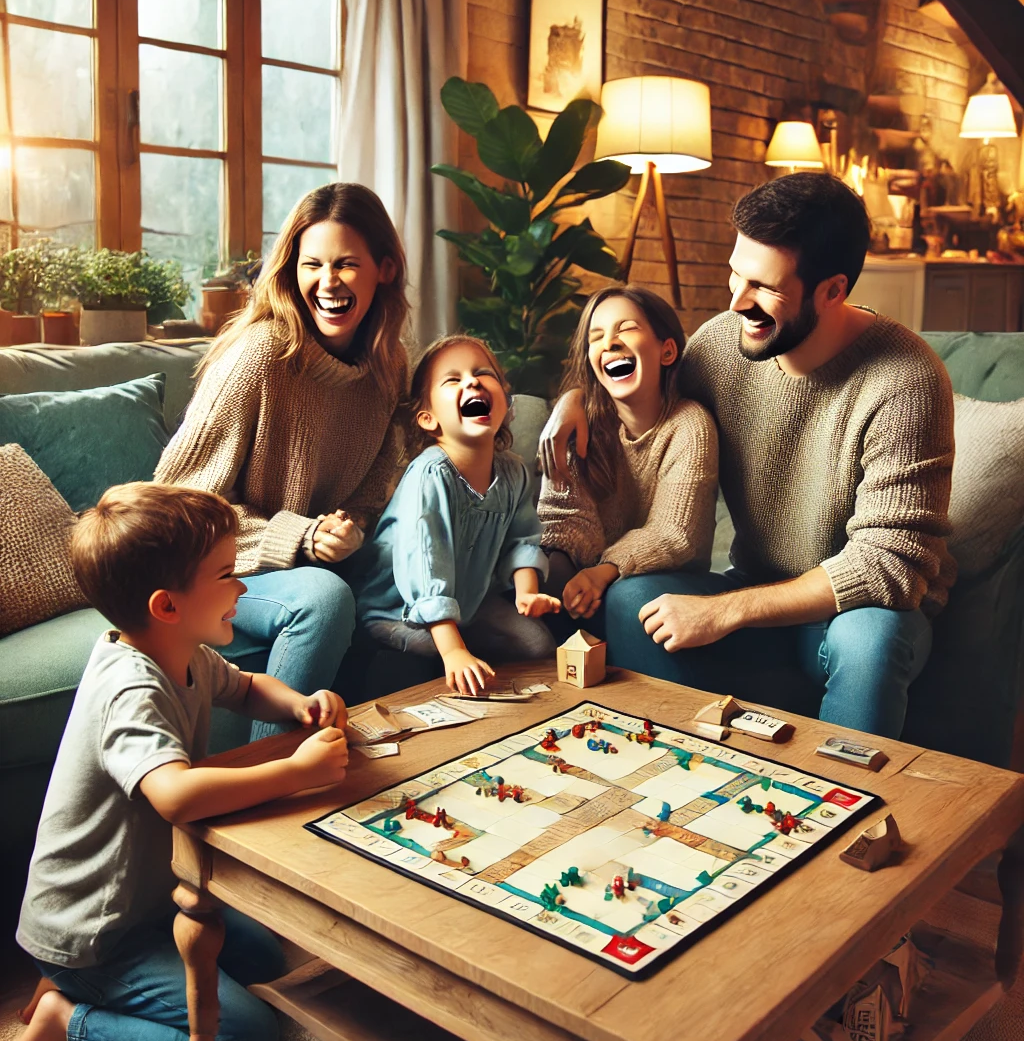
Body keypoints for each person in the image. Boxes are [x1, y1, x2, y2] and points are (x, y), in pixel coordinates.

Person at [540, 172, 955, 738]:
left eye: (763, 286)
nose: (736, 300)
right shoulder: (719, 347)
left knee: (872, 642)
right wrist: (572, 403)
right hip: (757, 591)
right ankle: (706, 769)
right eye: (735, 273)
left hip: (851, 615)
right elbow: (640, 388)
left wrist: (724, 612)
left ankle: (844, 801)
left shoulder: (906, 380)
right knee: (632, 598)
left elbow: (890, 567)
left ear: (832, 290)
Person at [2, 483, 349, 1041]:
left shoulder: (179, 649)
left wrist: (298, 704)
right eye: (226, 574)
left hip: (148, 907)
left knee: (266, 954)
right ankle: (68, 1020)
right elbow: (174, 794)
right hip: (93, 936)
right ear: (167, 605)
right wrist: (295, 772)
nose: (242, 587)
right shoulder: (132, 687)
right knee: (246, 1038)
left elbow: (244, 688)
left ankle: (86, 995)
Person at [155, 183, 408, 735]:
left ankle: (402, 751)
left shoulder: (387, 368)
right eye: (312, 264)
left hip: (309, 556)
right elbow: (178, 506)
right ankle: (272, 781)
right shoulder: (261, 356)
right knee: (323, 597)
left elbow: (369, 495)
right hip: (206, 564)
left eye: (346, 265)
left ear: (383, 270)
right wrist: (299, 537)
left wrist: (347, 531)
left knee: (414, 569)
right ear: (291, 270)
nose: (328, 282)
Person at [359, 336, 562, 697]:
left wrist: (527, 592)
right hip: (398, 610)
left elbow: (523, 540)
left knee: (536, 643)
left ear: (507, 402)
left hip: (470, 600)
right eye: (453, 380)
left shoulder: (513, 473)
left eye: (483, 374)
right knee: (431, 651)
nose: (471, 382)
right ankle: (450, 653)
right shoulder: (430, 474)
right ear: (427, 418)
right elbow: (426, 566)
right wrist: (453, 651)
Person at [538, 285, 718, 627]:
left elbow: (674, 534)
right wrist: (578, 575)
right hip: (590, 576)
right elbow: (562, 521)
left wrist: (604, 572)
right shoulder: (579, 424)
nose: (610, 343)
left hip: (667, 578)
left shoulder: (690, 424)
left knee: (627, 596)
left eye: (627, 328)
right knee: (545, 570)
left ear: (666, 352)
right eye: (597, 336)